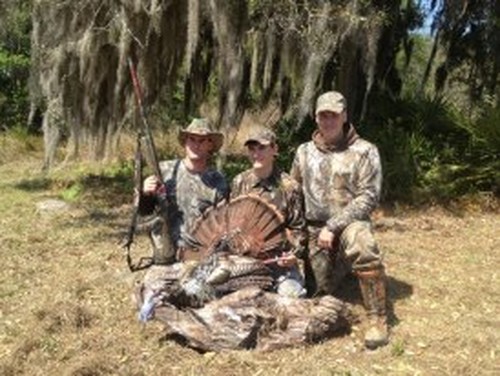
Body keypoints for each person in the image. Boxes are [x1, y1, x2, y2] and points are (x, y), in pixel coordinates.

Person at [290, 91, 388, 349]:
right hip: (312, 228)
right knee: (318, 291)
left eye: (333, 115)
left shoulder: (365, 151)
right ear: (316, 117)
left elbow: (369, 197)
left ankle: (377, 317)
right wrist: (293, 232)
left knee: (363, 242)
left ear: (344, 116)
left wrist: (333, 227)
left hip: (347, 226)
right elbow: (293, 193)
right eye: (323, 115)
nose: (328, 120)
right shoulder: (303, 151)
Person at [231, 127, 307, 298]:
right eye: (252, 148)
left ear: (274, 149)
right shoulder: (239, 182)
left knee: (291, 297)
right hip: (245, 262)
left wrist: (293, 254)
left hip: (279, 263)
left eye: (262, 148)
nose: (256, 154)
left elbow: (298, 228)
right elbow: (232, 225)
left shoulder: (289, 186)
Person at [141, 118, 229, 264]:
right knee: (153, 286)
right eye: (192, 139)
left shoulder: (218, 181)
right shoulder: (164, 171)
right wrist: (145, 194)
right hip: (165, 256)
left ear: (210, 145)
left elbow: (222, 226)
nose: (196, 145)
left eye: (202, 140)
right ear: (185, 142)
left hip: (201, 259)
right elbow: (144, 214)